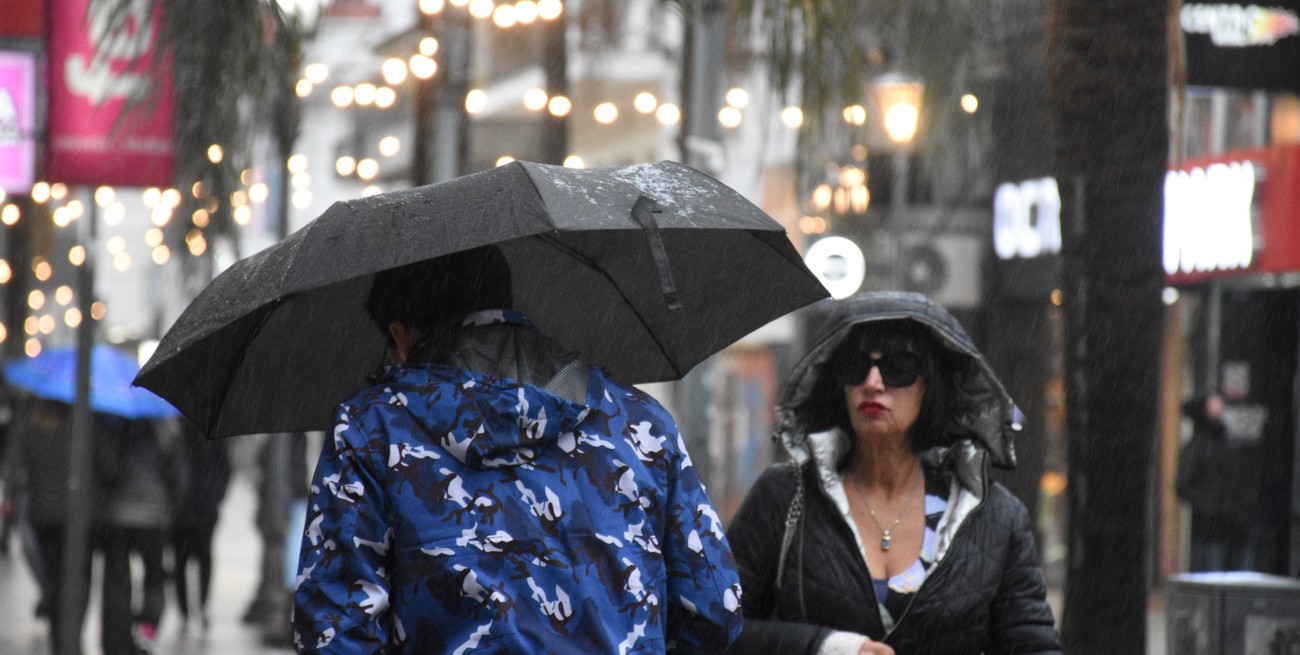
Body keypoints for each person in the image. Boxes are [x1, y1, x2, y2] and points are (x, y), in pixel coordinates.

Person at [292, 245, 742, 653]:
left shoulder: (372, 428)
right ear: (503, 303)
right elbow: (715, 609)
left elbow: (333, 630)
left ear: (400, 334)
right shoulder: (640, 420)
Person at [725, 291, 1060, 654]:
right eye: (856, 365)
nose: (872, 382)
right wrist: (825, 647)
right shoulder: (785, 497)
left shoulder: (994, 516)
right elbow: (712, 632)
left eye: (898, 366)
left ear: (930, 384)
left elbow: (1033, 646)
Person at [99, 416, 187, 655]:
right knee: (154, 578)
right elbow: (178, 476)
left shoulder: (113, 424)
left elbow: (106, 467)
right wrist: (171, 509)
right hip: (154, 516)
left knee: (117, 580)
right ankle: (146, 632)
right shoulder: (166, 426)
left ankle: (117, 638)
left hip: (117, 513)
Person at [1175, 392, 1259, 571]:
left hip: (1236, 525)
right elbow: (1182, 485)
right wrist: (1210, 507)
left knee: (1237, 583)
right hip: (1212, 529)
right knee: (1215, 580)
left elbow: (1243, 480)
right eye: (1213, 405)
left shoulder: (1229, 443)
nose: (1220, 409)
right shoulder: (1197, 447)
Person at [171, 421, 232, 632]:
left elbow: (224, 470)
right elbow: (224, 470)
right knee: (192, 560)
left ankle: (193, 610)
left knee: (190, 560)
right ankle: (190, 611)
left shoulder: (183, 435)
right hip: (192, 509)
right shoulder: (205, 437)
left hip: (193, 508)